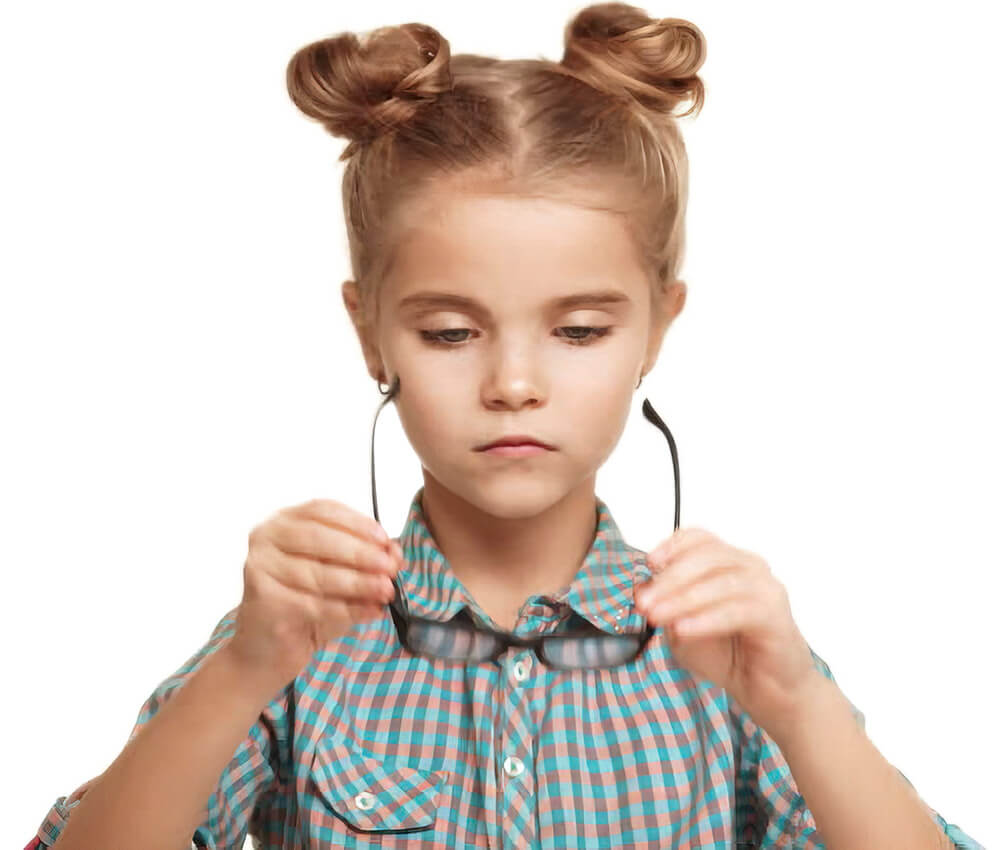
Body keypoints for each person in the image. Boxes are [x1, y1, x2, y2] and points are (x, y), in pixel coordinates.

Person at [26, 4, 982, 849]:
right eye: (449, 332)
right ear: (370, 333)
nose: (515, 383)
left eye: (578, 330)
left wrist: (804, 708)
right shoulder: (294, 639)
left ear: (658, 327)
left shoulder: (729, 657)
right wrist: (241, 673)